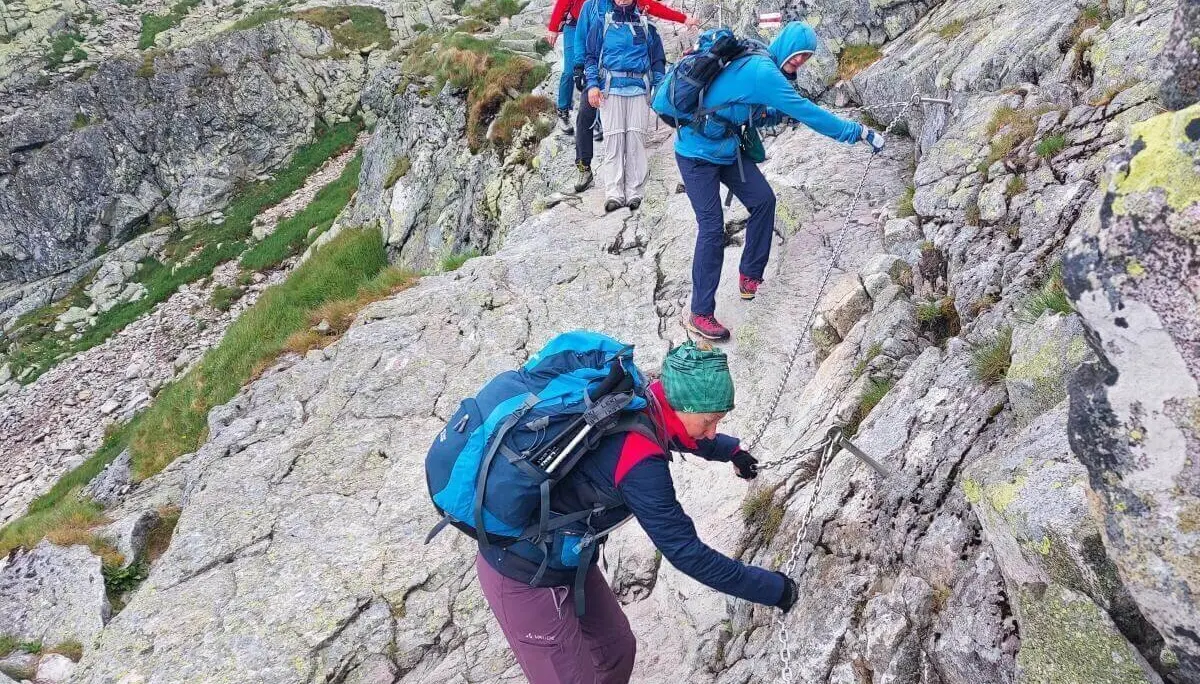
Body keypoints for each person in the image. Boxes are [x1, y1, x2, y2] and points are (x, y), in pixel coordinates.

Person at [475, 341, 798, 683]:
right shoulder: (641, 466)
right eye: (710, 421)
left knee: (616, 652)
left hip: (568, 558)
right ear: (680, 404)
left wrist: (732, 451)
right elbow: (687, 554)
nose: (712, 430)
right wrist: (776, 591)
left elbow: (678, 432)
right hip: (518, 572)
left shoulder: (645, 396)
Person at [674, 22, 887, 341]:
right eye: (799, 54)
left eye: (806, 57)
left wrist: (772, 114)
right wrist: (855, 132)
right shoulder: (763, 71)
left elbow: (748, 109)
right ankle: (700, 313)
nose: (801, 61)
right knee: (711, 228)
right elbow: (805, 110)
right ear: (785, 46)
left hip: (726, 148)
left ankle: (749, 275)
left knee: (763, 201)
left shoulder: (763, 63)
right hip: (695, 154)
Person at [564, 0, 696, 193]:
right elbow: (582, 37)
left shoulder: (633, 3)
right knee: (585, 113)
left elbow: (658, 9)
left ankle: (632, 180)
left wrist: (684, 18)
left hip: (630, 79)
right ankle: (584, 166)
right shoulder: (591, 6)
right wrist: (578, 67)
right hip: (600, 73)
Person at [582, 0, 664, 212]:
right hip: (610, 89)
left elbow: (658, 61)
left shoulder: (647, 26)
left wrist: (658, 86)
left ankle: (635, 191)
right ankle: (614, 192)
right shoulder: (601, 23)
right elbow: (590, 57)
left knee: (636, 139)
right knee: (614, 139)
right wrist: (592, 85)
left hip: (639, 88)